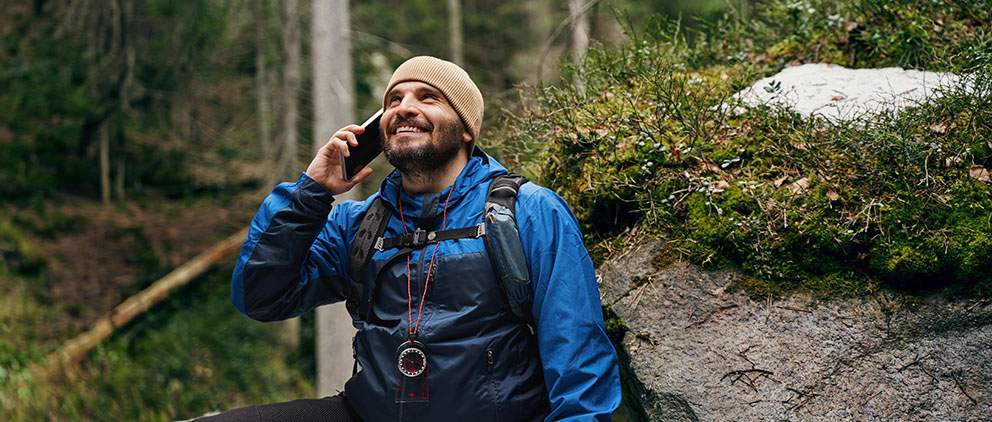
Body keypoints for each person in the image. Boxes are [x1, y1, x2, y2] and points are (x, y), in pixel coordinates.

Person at [213, 56, 621, 421]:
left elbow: (578, 363)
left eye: (428, 98)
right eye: (393, 100)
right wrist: (311, 193)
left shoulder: (528, 211)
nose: (404, 107)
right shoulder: (357, 223)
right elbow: (260, 296)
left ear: (465, 129)